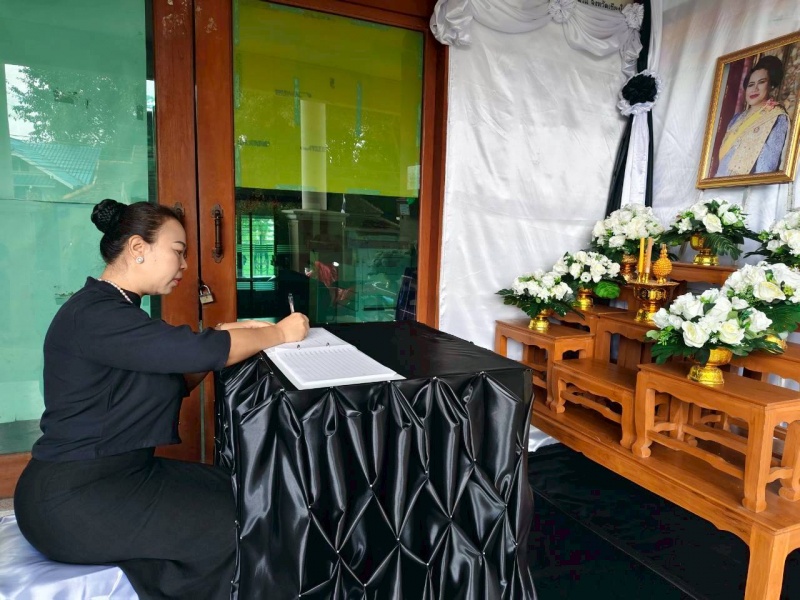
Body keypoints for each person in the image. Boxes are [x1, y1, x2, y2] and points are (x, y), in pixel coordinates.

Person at [13, 199, 309, 600]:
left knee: (245, 491)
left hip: (121, 475)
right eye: (178, 251)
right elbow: (195, 352)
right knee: (240, 523)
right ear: (138, 248)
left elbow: (177, 374)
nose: (184, 265)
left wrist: (226, 331)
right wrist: (279, 333)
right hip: (72, 499)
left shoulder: (118, 310)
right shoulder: (97, 314)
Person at [715, 55, 790, 177]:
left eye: (761, 82)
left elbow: (766, 168)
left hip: (745, 186)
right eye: (750, 84)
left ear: (771, 85)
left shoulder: (777, 118)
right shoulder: (736, 118)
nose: (754, 88)